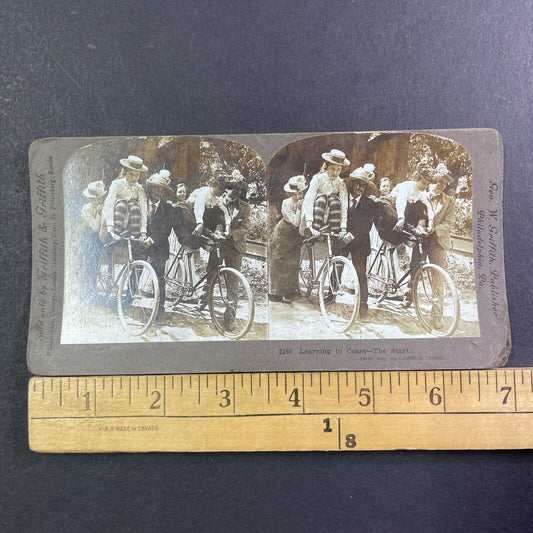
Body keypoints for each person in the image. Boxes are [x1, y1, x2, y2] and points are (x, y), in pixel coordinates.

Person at [203, 175, 251, 330]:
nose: (234, 191)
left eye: (239, 189)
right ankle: (204, 298)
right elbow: (211, 220)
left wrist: (232, 234)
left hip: (235, 248)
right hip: (218, 244)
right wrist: (216, 233)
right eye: (231, 188)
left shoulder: (244, 207)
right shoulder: (216, 202)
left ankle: (230, 318)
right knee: (210, 274)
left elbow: (246, 228)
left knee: (233, 283)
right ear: (226, 188)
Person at [412, 163, 456, 327]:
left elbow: (449, 222)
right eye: (439, 182)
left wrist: (434, 230)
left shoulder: (449, 201)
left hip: (438, 242)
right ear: (431, 181)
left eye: (445, 184)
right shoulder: (419, 195)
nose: (441, 186)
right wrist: (418, 229)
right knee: (415, 270)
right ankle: (410, 297)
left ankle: (437, 315)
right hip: (420, 240)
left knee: (438, 278)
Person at [338, 167, 380, 318]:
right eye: (358, 184)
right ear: (351, 184)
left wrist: (353, 235)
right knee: (336, 266)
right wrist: (342, 234)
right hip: (342, 238)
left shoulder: (370, 204)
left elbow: (367, 224)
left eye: (363, 185)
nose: (360, 188)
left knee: (360, 272)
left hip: (360, 241)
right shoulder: (342, 199)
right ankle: (330, 294)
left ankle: (363, 304)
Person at [143, 172, 177, 324]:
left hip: (159, 246)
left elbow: (166, 230)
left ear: (164, 193)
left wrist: (152, 239)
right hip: (141, 244)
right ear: (149, 189)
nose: (157, 192)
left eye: (160, 190)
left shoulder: (168, 208)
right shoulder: (142, 203)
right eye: (154, 189)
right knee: (135, 271)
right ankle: (127, 301)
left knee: (159, 278)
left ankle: (160, 309)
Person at [269, 175, 307, 304]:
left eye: (300, 193)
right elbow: (295, 222)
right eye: (295, 194)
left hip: (296, 234)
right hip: (284, 232)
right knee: (281, 260)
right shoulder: (287, 204)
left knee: (293, 261)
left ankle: (290, 291)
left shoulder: (304, 202)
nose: (298, 196)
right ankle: (276, 293)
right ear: (290, 194)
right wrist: (299, 209)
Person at [301, 149, 349, 238]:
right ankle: (313, 231)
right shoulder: (318, 179)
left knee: (335, 200)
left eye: (338, 170)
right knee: (322, 198)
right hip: (316, 211)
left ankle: (335, 233)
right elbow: (309, 199)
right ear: (327, 167)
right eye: (332, 169)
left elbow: (344, 204)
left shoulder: (341, 183)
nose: (335, 173)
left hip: (331, 213)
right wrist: (309, 224)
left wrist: (343, 228)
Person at [101, 155, 148, 242]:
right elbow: (109, 204)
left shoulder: (140, 189)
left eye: (137, 175)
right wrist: (110, 229)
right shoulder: (117, 185)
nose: (134, 178)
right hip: (115, 217)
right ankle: (116, 235)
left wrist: (143, 232)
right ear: (125, 172)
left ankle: (134, 237)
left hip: (131, 219)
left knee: (134, 206)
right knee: (122, 204)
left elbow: (143, 209)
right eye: (131, 174)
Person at [75, 180, 107, 302]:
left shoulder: (104, 207)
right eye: (93, 199)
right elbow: (94, 227)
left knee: (96, 266)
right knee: (88, 266)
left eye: (98, 198)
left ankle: (95, 293)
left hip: (99, 239)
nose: (96, 201)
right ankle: (86, 295)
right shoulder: (85, 209)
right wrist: (99, 214)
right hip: (87, 239)